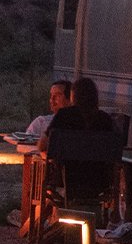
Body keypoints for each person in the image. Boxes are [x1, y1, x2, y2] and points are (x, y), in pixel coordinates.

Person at [40, 76, 119, 211]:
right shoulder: (105, 119)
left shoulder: (64, 115)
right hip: (100, 181)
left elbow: (42, 146)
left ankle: (47, 220)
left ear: (73, 96)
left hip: (66, 180)